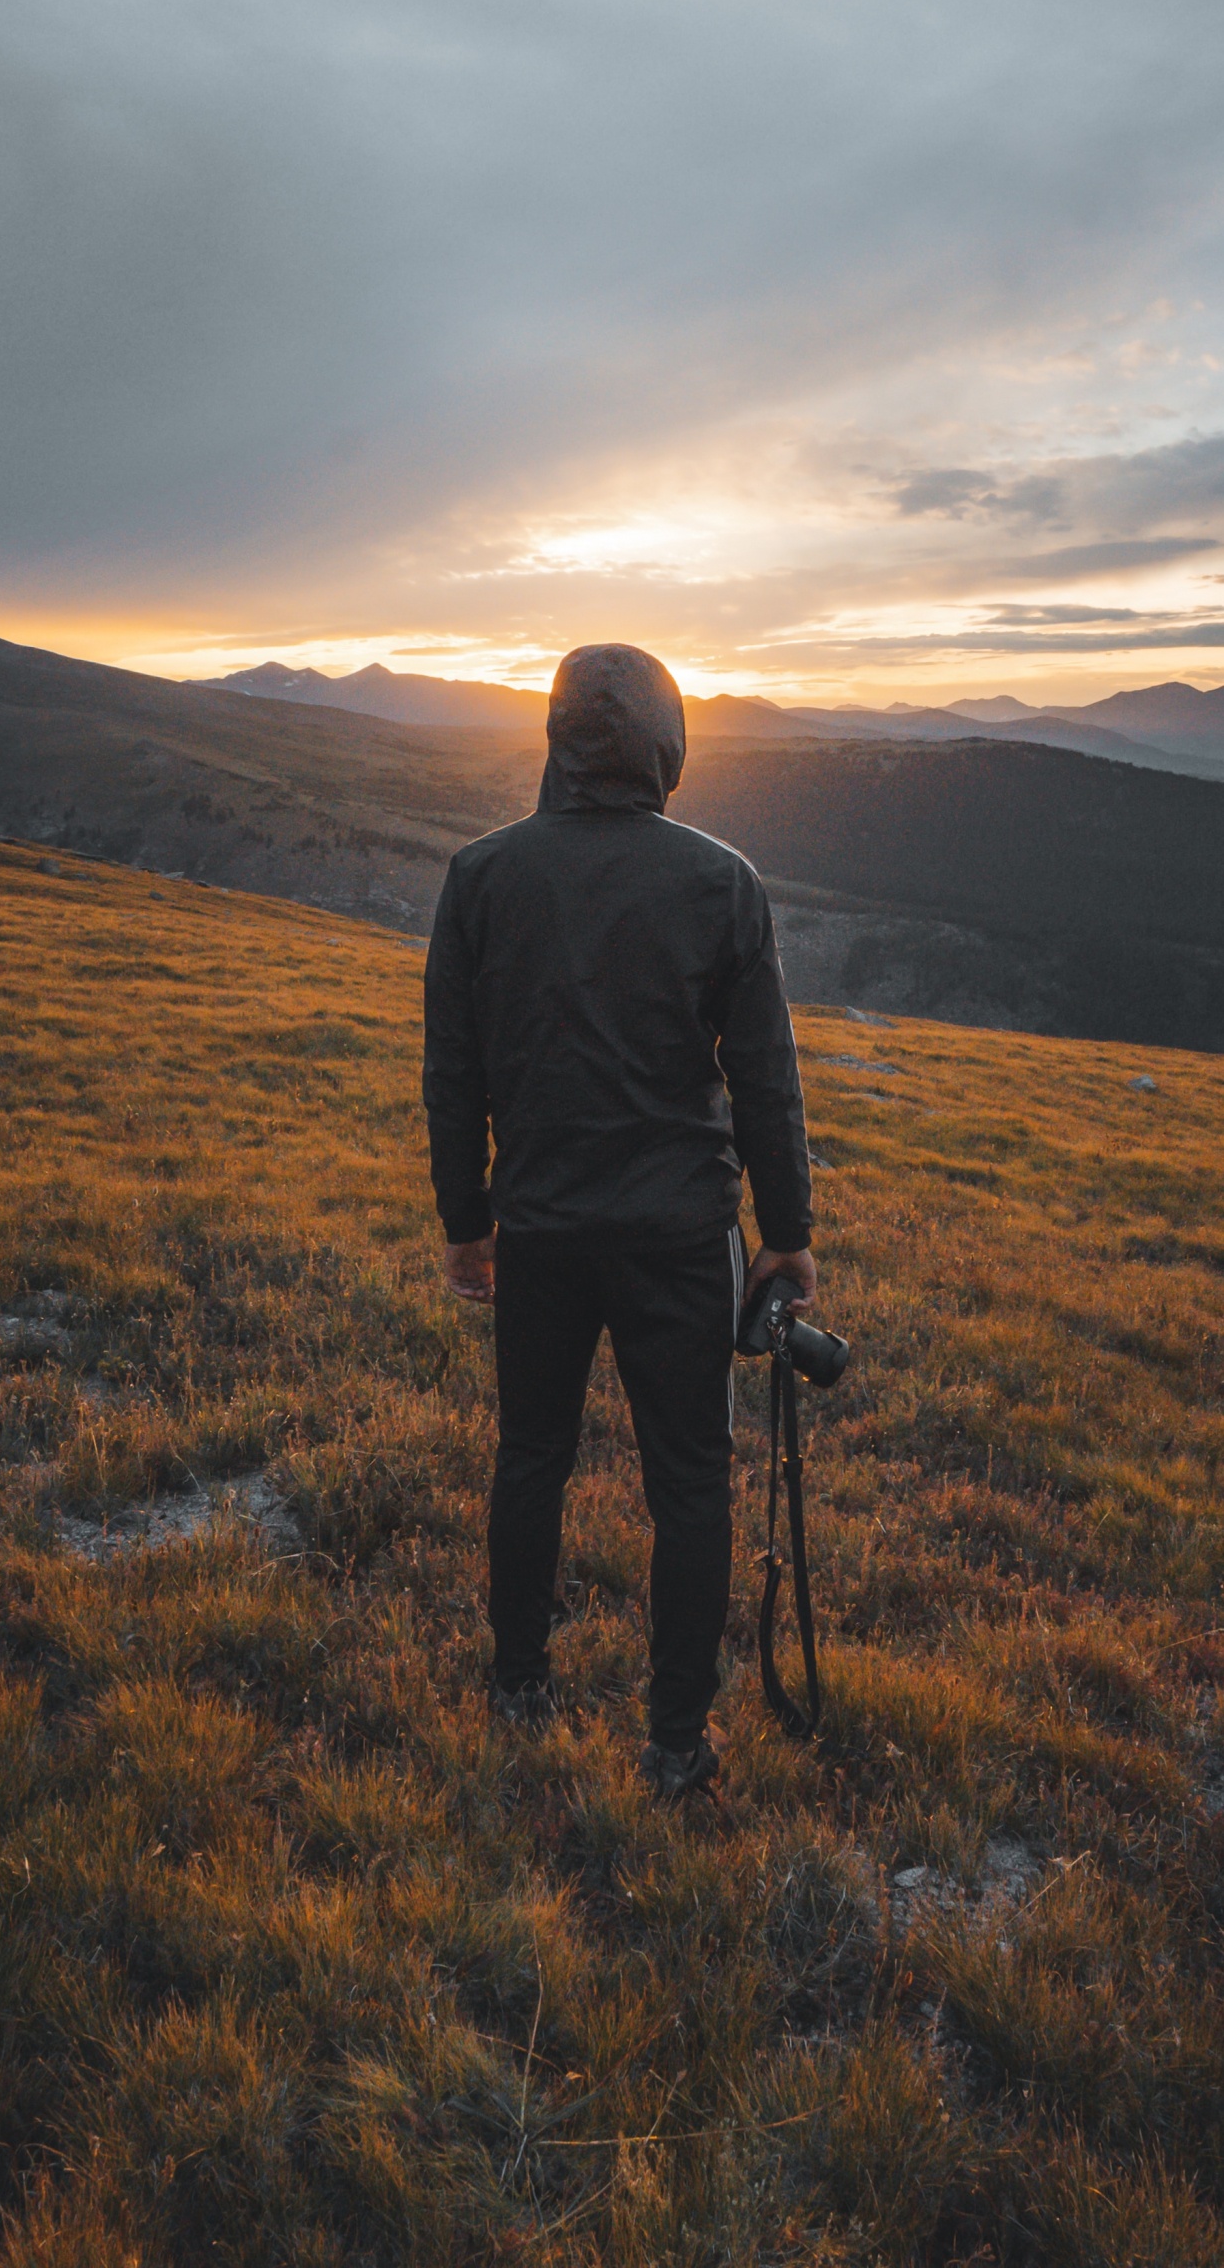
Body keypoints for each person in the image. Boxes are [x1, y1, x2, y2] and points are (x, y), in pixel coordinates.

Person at [422, 643, 815, 1796]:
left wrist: (467, 1218)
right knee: (690, 1482)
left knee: (530, 1456)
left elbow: (456, 1069)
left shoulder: (482, 876)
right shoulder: (720, 881)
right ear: (666, 744)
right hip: (680, 1239)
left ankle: (517, 1686)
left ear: (554, 737)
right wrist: (785, 1232)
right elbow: (765, 1078)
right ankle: (677, 1743)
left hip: (539, 1229)